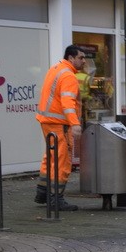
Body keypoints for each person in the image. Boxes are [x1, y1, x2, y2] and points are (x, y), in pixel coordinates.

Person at [34, 45, 86, 211]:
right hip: (59, 123)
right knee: (62, 160)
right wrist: (75, 124)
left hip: (47, 120)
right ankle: (56, 198)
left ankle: (42, 192)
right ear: (71, 58)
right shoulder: (69, 76)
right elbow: (67, 104)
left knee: (50, 157)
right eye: (81, 57)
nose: (84, 61)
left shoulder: (55, 69)